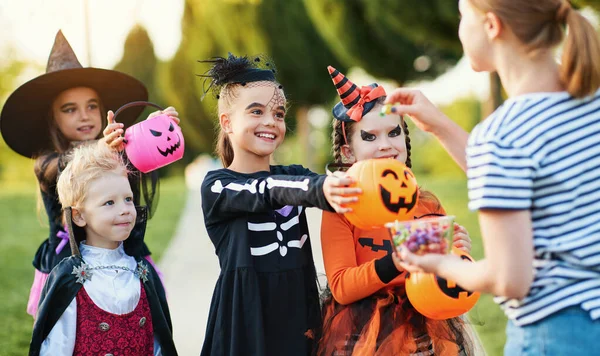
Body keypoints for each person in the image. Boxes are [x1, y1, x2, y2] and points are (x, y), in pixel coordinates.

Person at [386, 0, 600, 354]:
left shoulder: (502, 136)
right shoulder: (589, 102)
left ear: (491, 26)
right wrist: (439, 125)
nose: (459, 28)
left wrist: (439, 262)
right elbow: (526, 180)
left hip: (552, 334)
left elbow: (509, 279)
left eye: (462, 16)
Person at [0, 30, 173, 317]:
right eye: (70, 109)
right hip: (71, 266)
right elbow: (69, 166)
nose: (84, 115)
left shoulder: (118, 149)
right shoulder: (46, 161)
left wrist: (154, 129)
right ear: (52, 118)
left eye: (92, 106)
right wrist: (102, 148)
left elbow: (144, 155)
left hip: (124, 256)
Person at [198, 53, 360, 356]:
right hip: (244, 326)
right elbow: (265, 190)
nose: (270, 122)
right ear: (227, 122)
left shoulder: (294, 176)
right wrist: (319, 187)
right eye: (256, 111)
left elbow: (349, 194)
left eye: (279, 114)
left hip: (300, 320)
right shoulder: (217, 185)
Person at [317, 66, 480, 355]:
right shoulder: (342, 206)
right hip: (363, 336)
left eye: (393, 132)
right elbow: (341, 285)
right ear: (348, 152)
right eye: (369, 137)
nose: (385, 146)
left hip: (427, 333)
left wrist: (458, 256)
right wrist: (399, 261)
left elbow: (444, 279)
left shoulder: (426, 204)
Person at [28, 142, 177, 355]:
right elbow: (57, 348)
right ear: (79, 215)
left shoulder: (142, 271)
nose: (125, 210)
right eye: (109, 203)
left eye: (128, 199)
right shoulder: (70, 280)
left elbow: (159, 344)